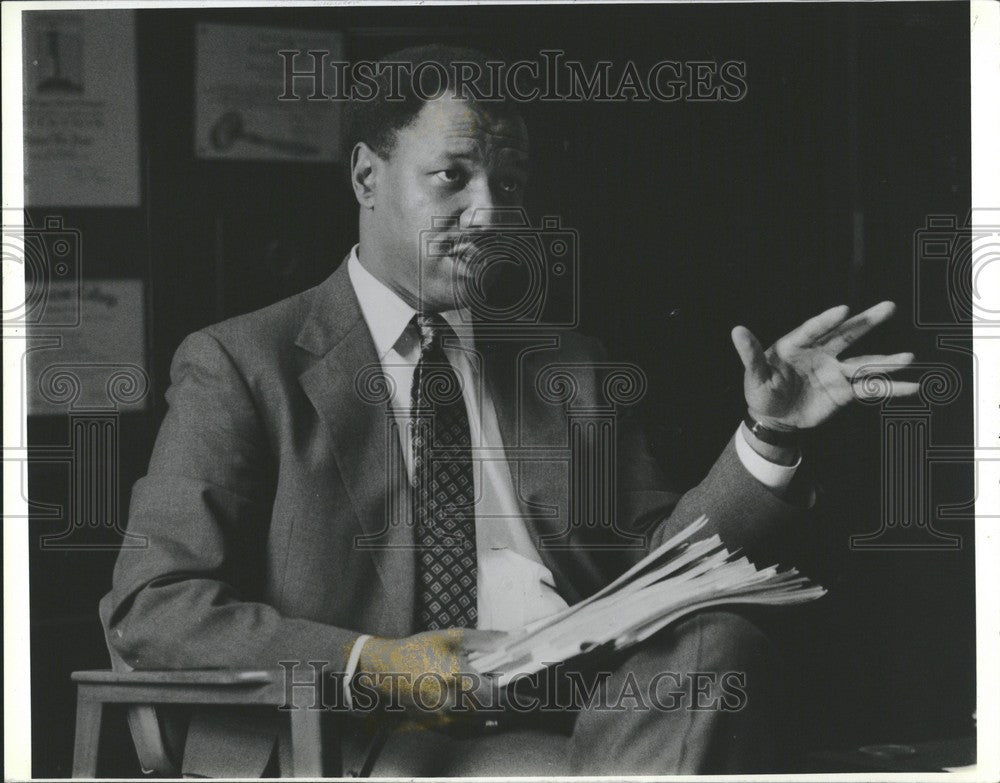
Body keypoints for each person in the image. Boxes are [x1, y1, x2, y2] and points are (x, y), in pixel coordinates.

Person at [103, 45, 918, 777]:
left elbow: (664, 571)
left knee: (718, 644)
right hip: (360, 728)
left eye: (510, 184)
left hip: (583, 715)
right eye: (452, 176)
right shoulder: (243, 362)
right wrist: (375, 662)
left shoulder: (567, 366)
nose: (492, 213)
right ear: (365, 178)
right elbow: (154, 602)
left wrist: (768, 432)